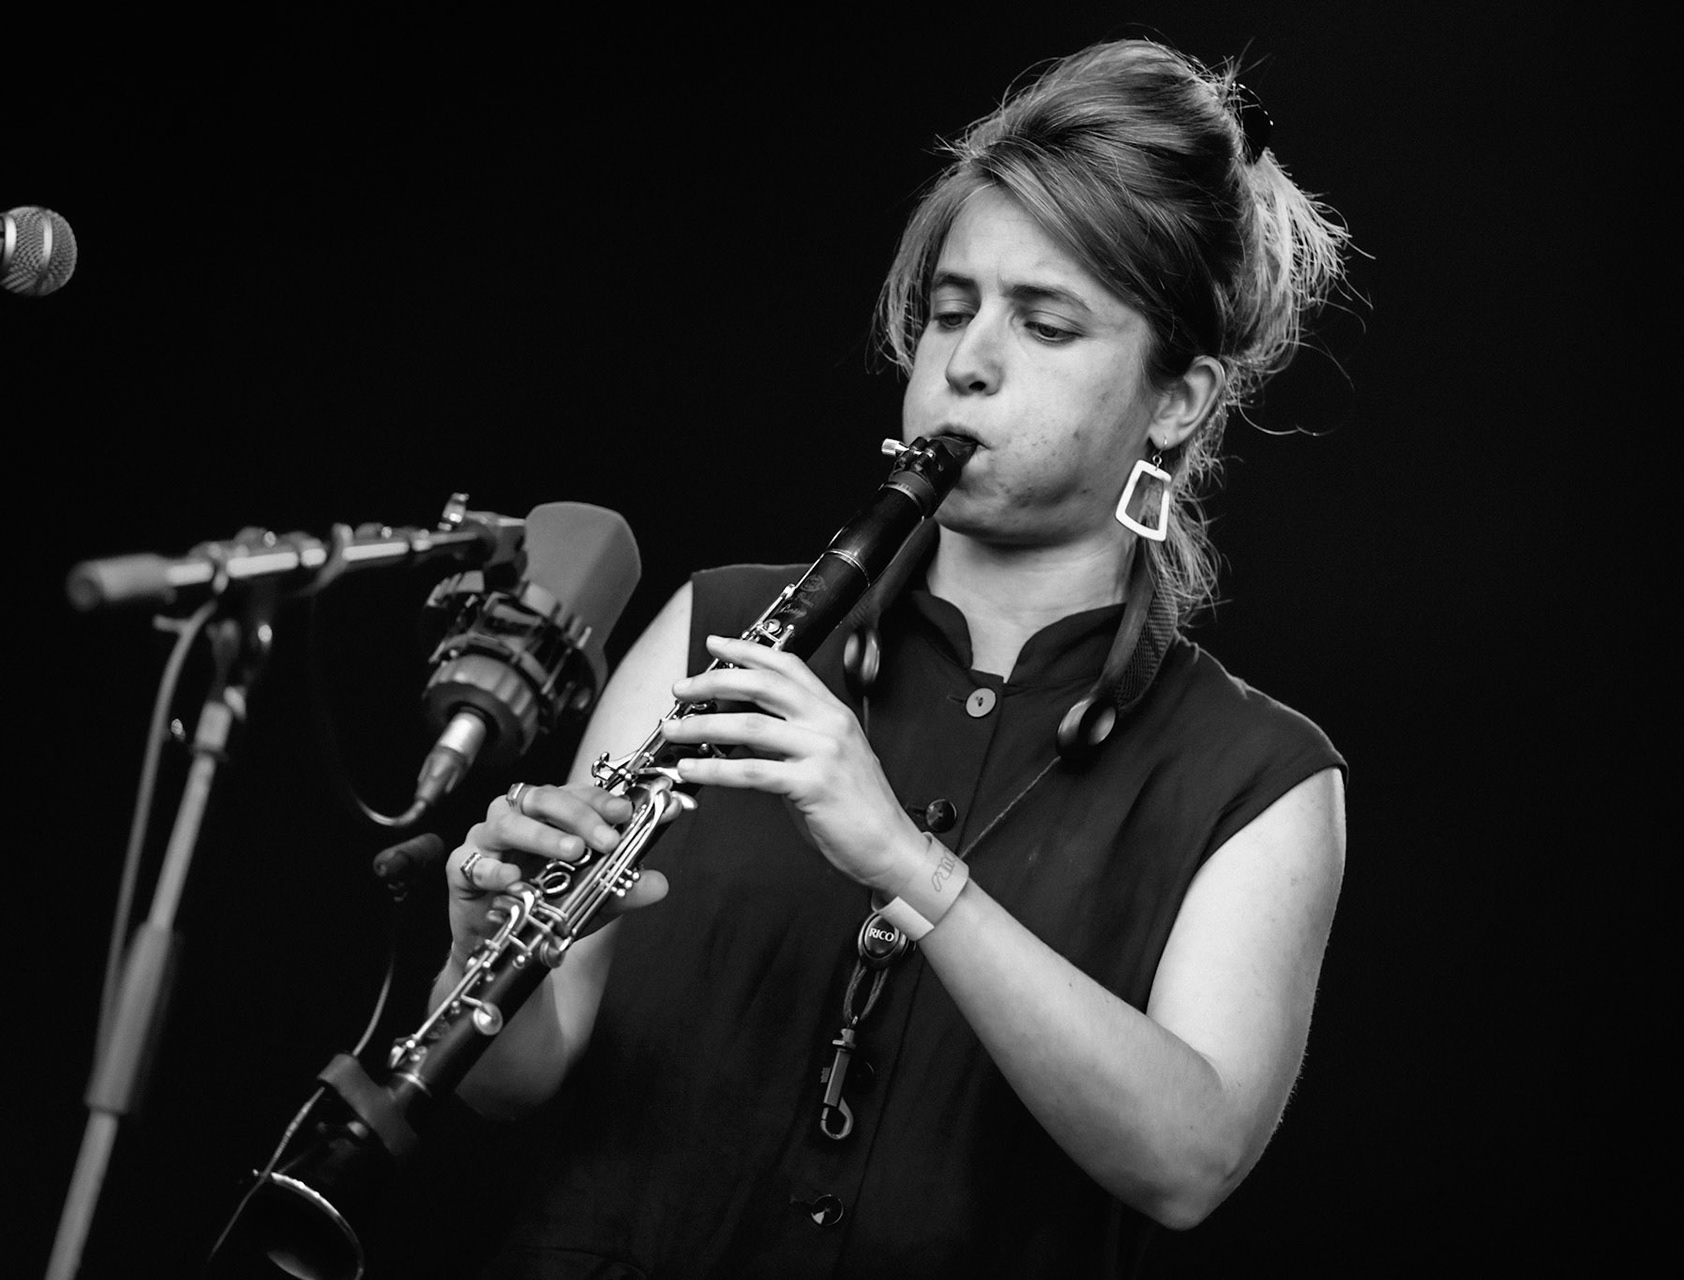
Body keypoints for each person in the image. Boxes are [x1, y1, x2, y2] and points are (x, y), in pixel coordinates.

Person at [437, 37, 1350, 1279]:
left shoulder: (1261, 774)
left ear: (1178, 398)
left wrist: (908, 864)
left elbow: (1188, 1160)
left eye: (1045, 322)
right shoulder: (719, 625)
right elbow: (518, 1076)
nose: (966, 359)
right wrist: (479, 955)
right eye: (951, 309)